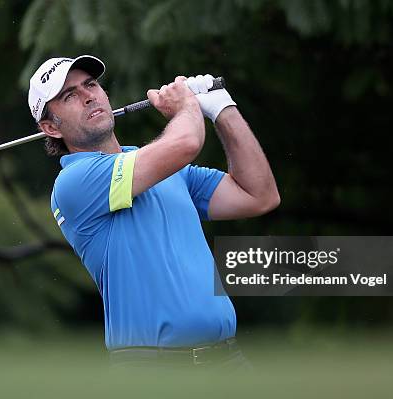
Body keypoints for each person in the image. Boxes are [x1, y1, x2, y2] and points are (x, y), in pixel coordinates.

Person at [28, 55, 280, 369]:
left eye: (90, 85)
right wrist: (186, 104)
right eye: (70, 96)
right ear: (50, 127)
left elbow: (259, 196)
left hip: (227, 359)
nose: (88, 96)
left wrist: (222, 109)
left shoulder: (167, 170)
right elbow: (186, 141)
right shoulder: (74, 183)